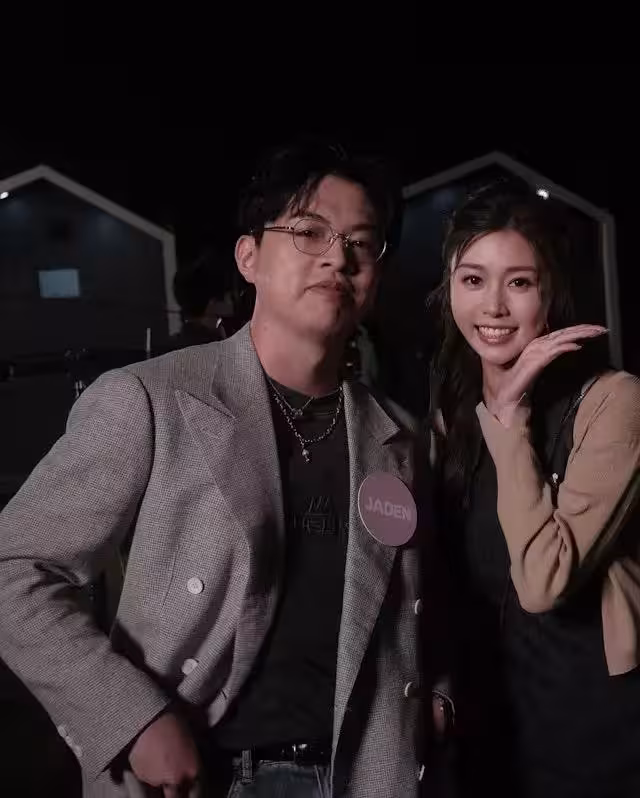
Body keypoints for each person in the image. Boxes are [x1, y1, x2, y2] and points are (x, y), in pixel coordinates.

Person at [0, 141, 445, 798]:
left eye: (362, 242)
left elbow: (426, 602)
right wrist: (131, 719)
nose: (338, 257)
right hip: (204, 776)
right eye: (309, 232)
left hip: (361, 776)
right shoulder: (151, 400)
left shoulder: (398, 435)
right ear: (248, 257)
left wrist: (439, 698)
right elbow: (14, 570)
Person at [428, 179, 640, 798]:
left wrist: (511, 417)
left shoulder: (613, 402)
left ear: (550, 292)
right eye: (473, 280)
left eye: (519, 282)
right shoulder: (450, 411)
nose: (493, 306)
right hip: (486, 709)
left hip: (591, 715)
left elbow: (545, 582)